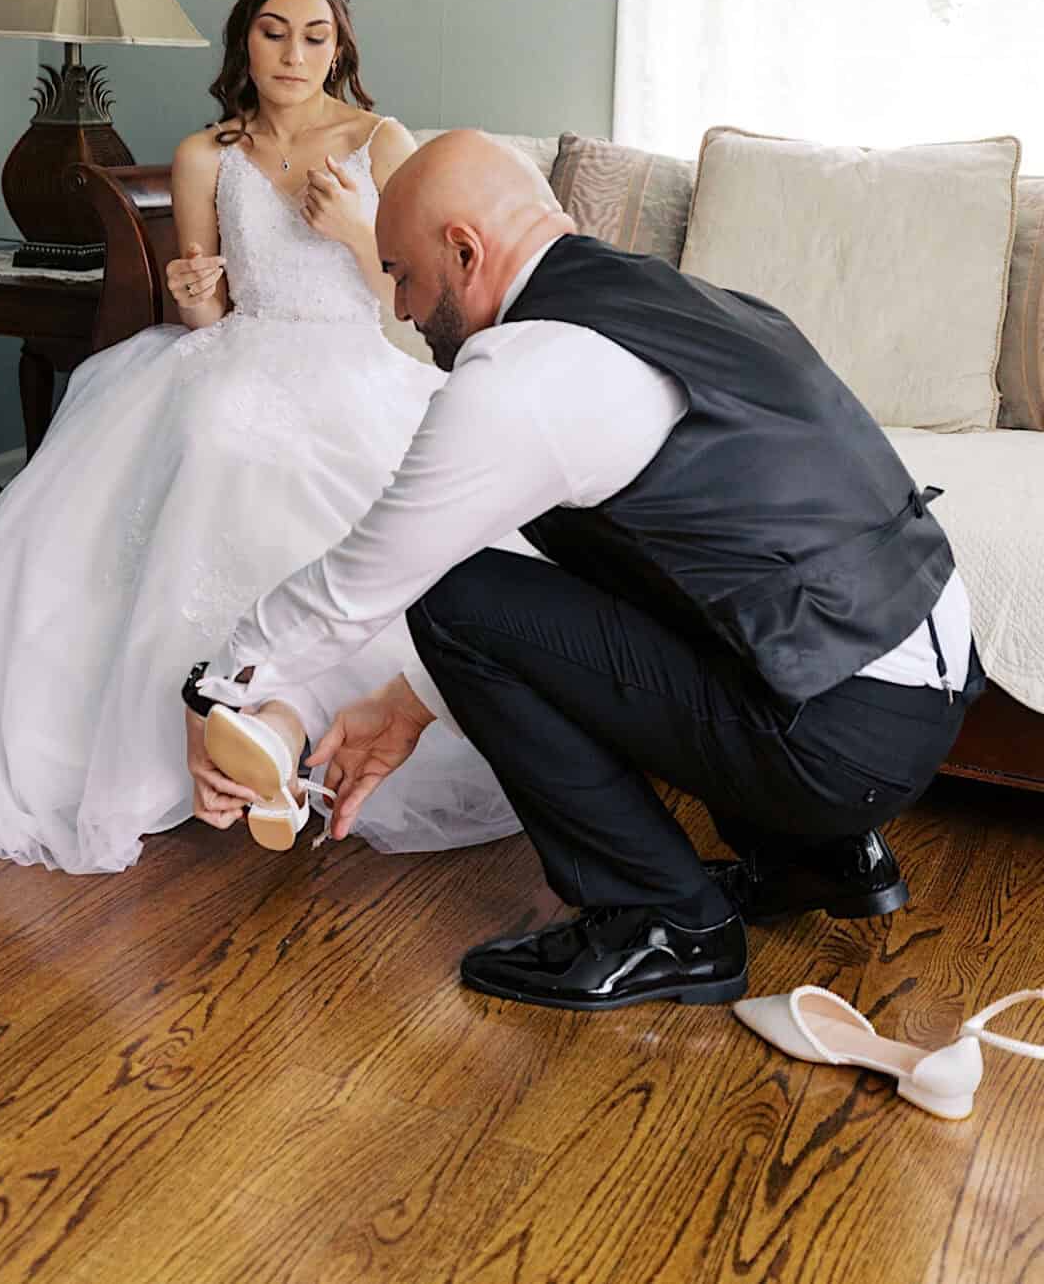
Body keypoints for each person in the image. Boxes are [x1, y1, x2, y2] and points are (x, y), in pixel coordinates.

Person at [0, 0, 520, 869]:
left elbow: (410, 306)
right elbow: (208, 310)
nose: (293, 55)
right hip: (243, 354)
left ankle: (292, 720)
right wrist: (192, 284)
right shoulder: (209, 154)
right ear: (244, 40)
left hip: (357, 360)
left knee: (340, 469)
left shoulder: (381, 143)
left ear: (339, 47)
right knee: (221, 433)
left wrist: (359, 235)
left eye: (314, 37)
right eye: (273, 32)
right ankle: (217, 722)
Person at [197, 128, 979, 1012]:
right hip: (916, 692)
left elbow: (361, 583)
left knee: (452, 598)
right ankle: (821, 854)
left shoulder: (524, 375)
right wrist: (409, 705)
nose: (402, 308)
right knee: (532, 592)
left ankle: (666, 925)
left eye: (403, 276)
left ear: (465, 250)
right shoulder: (671, 302)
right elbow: (633, 579)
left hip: (839, 739)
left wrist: (218, 688)